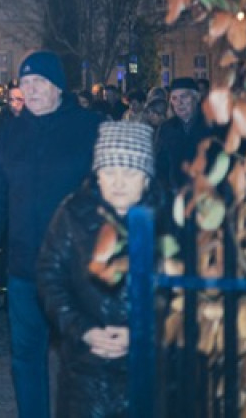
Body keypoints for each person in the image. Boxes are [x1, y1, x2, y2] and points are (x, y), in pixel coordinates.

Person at [0, 50, 102, 417]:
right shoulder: (9, 135)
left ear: (58, 86)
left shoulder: (88, 127)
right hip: (24, 271)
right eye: (24, 83)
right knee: (26, 359)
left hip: (76, 272)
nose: (29, 90)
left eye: (38, 82)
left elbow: (110, 196)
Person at [37, 121, 156, 418]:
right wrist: (82, 329)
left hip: (149, 369)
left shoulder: (168, 220)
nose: (118, 182)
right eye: (109, 172)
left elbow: (183, 293)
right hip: (85, 371)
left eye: (128, 173)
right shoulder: (73, 212)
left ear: (146, 178)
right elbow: (50, 276)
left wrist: (141, 332)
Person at [154, 77, 217, 199]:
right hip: (174, 197)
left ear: (196, 98)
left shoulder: (212, 126)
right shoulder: (166, 128)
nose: (179, 103)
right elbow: (159, 165)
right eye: (174, 98)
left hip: (207, 196)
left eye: (184, 97)